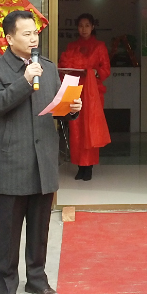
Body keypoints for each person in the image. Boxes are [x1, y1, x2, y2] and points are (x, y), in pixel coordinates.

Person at [0, 10, 82, 294]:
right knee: (8, 230)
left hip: (43, 160)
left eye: (35, 33)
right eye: (26, 34)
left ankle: (37, 279)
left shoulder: (48, 68)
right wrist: (25, 80)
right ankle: (6, 285)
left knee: (40, 228)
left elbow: (56, 109)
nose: (33, 38)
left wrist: (71, 108)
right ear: (9, 38)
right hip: (13, 161)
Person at [59, 13, 111, 181]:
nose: (84, 29)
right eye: (81, 25)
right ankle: (80, 165)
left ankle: (89, 166)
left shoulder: (99, 46)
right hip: (75, 89)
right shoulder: (72, 46)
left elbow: (106, 69)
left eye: (87, 25)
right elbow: (63, 66)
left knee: (91, 128)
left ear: (93, 27)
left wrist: (95, 71)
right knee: (75, 128)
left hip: (92, 92)